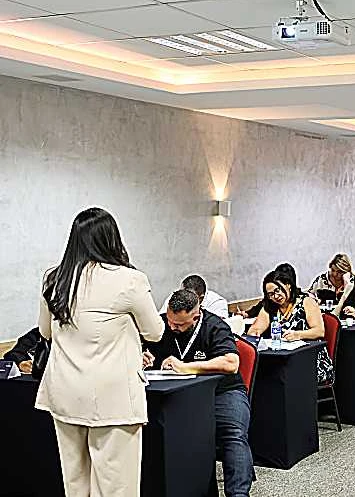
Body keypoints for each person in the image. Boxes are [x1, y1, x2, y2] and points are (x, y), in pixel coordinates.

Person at [35, 207, 164, 497]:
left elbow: (45, 332)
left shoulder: (53, 279)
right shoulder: (129, 279)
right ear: (112, 239)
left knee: (75, 482)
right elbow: (155, 332)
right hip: (113, 398)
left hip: (64, 393)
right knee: (117, 486)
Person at [145, 289, 252, 497]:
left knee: (233, 434)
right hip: (179, 395)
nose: (172, 327)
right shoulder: (162, 325)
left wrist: (186, 367)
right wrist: (142, 356)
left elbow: (231, 363)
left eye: (179, 324)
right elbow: (143, 347)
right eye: (170, 321)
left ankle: (238, 494)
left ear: (195, 316)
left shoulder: (215, 326)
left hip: (222, 391)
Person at [247, 269, 333, 384]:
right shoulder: (270, 307)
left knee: (281, 379)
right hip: (282, 359)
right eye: (271, 294)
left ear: (288, 285)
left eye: (278, 290)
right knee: (263, 376)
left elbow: (319, 331)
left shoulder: (306, 302)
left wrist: (297, 335)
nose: (276, 296)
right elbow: (255, 329)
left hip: (310, 358)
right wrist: (255, 333)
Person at [159, 274, 228, 318]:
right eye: (183, 294)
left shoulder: (217, 302)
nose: (184, 298)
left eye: (190, 297)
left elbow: (220, 329)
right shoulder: (175, 296)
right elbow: (162, 319)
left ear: (201, 298)